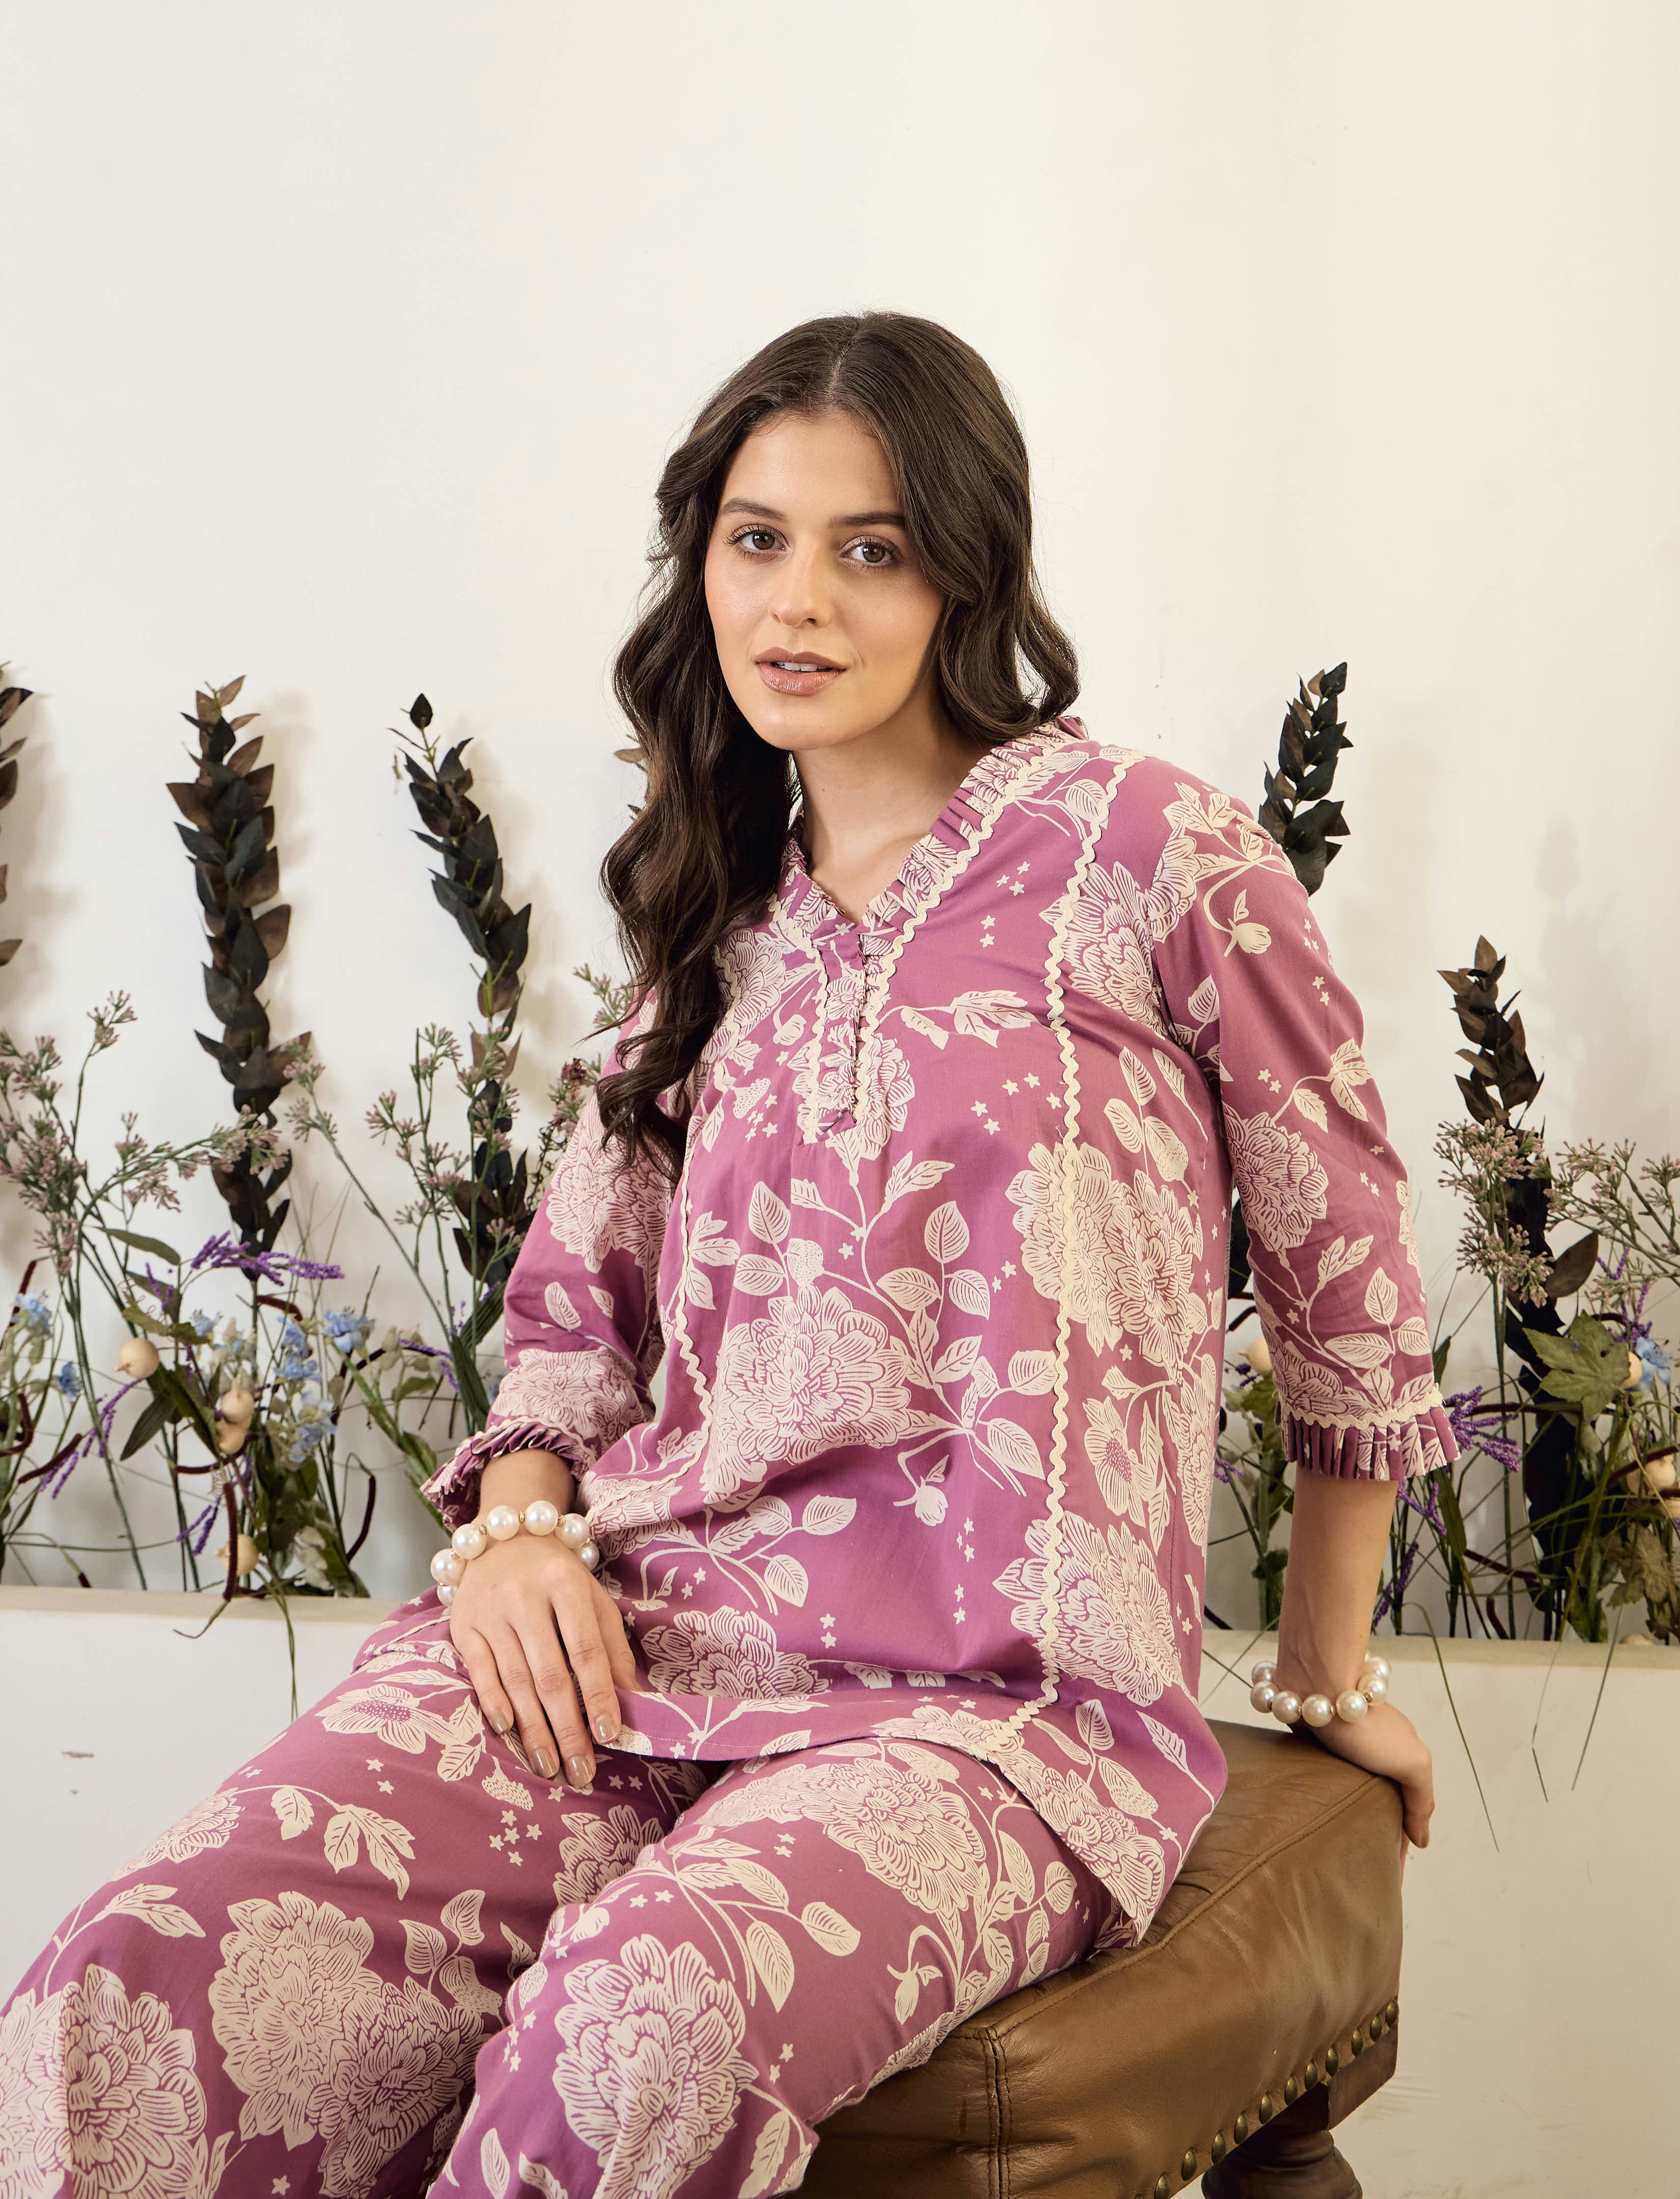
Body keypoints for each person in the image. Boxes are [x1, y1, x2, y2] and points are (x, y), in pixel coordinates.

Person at [2, 312, 1455, 2199]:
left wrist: (1332, 1676)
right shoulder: (712, 920)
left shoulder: (1149, 855)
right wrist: (522, 1531)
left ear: (967, 571)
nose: (801, 601)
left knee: (635, 2039)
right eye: (757, 539)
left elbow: (1348, 1266)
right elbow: (567, 1332)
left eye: (872, 549)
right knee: (132, 1988)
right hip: (634, 1644)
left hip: (997, 1720)